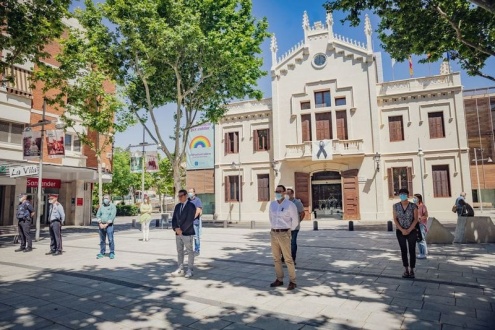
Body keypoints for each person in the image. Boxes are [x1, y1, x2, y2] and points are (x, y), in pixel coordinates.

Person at [269, 185, 299, 290]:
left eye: (279, 191)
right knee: (276, 258)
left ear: (284, 192)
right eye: (276, 191)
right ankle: (279, 279)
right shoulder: (272, 205)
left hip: (284, 234)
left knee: (288, 259)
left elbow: (295, 221)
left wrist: (288, 231)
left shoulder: (290, 205)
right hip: (274, 233)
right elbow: (271, 218)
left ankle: (292, 281)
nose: (277, 193)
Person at [392, 188, 419, 279]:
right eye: (400, 194)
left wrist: (409, 229)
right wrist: (402, 230)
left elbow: (416, 219)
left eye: (404, 194)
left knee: (412, 250)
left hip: (412, 231)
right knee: (403, 250)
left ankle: (412, 270)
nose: (402, 195)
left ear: (407, 195)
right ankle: (406, 269)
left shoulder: (413, 206)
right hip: (400, 231)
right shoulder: (395, 206)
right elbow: (395, 219)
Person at [171, 189, 196, 278]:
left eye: (181, 196)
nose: (179, 198)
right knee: (179, 251)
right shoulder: (177, 206)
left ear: (185, 196)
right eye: (178, 196)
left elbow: (190, 220)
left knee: (189, 251)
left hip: (187, 232)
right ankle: (180, 268)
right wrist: (175, 228)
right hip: (178, 233)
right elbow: (174, 219)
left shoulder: (191, 206)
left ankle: (190, 269)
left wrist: (182, 229)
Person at [284, 188, 305, 265]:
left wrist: (298, 222)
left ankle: (293, 259)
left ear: (292, 194)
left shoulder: (297, 203)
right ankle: (284, 257)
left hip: (294, 227)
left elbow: (302, 213)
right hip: (285, 227)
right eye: (286, 193)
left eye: (289, 193)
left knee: (292, 242)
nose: (287, 195)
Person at [96, 194, 117, 259]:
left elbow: (112, 216)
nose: (105, 200)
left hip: (109, 226)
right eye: (104, 198)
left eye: (107, 198)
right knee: (102, 240)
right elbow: (98, 215)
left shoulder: (112, 206)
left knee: (110, 239)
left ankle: (112, 252)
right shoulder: (101, 206)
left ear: (110, 199)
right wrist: (100, 223)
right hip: (101, 225)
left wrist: (106, 224)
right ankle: (102, 252)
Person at [188, 188, 203, 256]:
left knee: (196, 236)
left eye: (191, 192)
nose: (189, 193)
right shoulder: (187, 200)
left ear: (194, 193)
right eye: (189, 192)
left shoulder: (197, 200)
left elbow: (198, 211)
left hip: (194, 222)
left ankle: (197, 250)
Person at [413, 194, 428, 259]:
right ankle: (421, 253)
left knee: (422, 239)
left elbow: (426, 215)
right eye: (413, 198)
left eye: (415, 198)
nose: (414, 199)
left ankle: (424, 253)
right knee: (418, 239)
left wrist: (420, 218)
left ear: (419, 198)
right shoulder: (414, 206)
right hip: (415, 224)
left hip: (421, 224)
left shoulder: (422, 206)